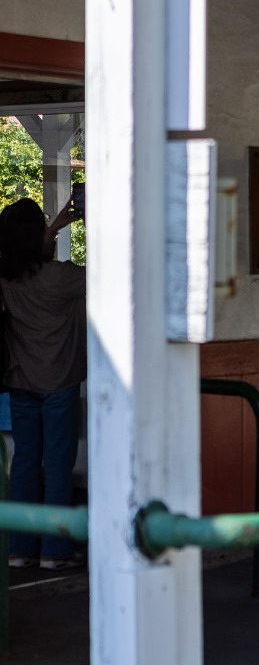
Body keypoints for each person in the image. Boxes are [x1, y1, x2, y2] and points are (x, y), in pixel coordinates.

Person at [0, 197, 84, 570]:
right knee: (57, 468)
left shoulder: (6, 278)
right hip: (59, 385)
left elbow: (25, 253)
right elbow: (115, 272)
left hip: (20, 382)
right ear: (37, 238)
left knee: (24, 465)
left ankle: (20, 549)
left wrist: (52, 229)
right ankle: (55, 551)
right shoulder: (63, 278)